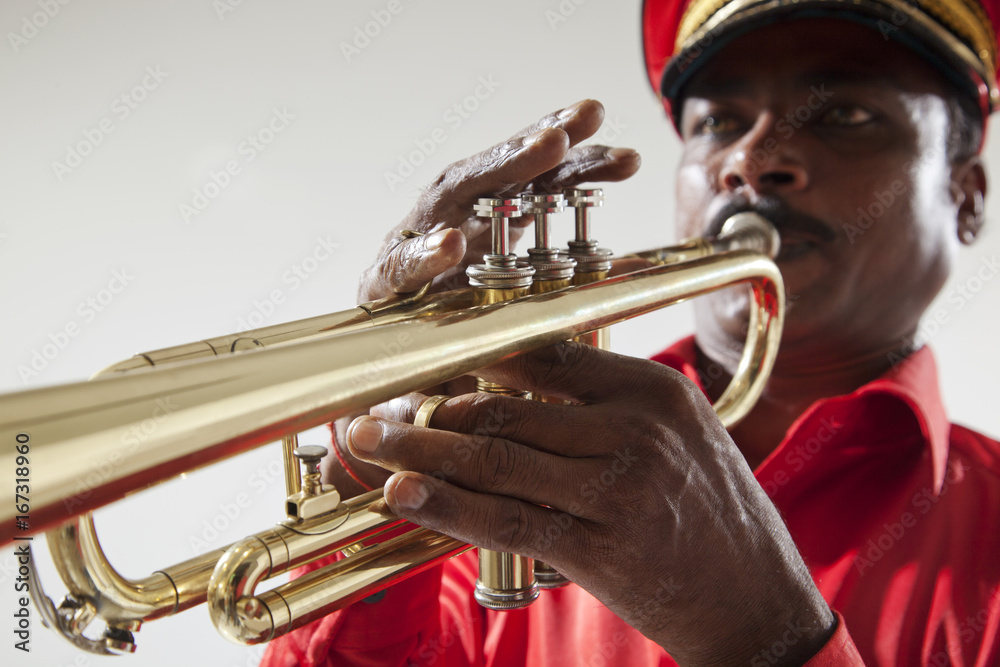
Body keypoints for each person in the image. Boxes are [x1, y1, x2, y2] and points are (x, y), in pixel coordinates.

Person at [260, 0, 1000, 664]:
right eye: (718, 122)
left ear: (966, 198)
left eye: (843, 115)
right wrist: (367, 495)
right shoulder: (483, 490)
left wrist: (764, 636)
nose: (752, 160)